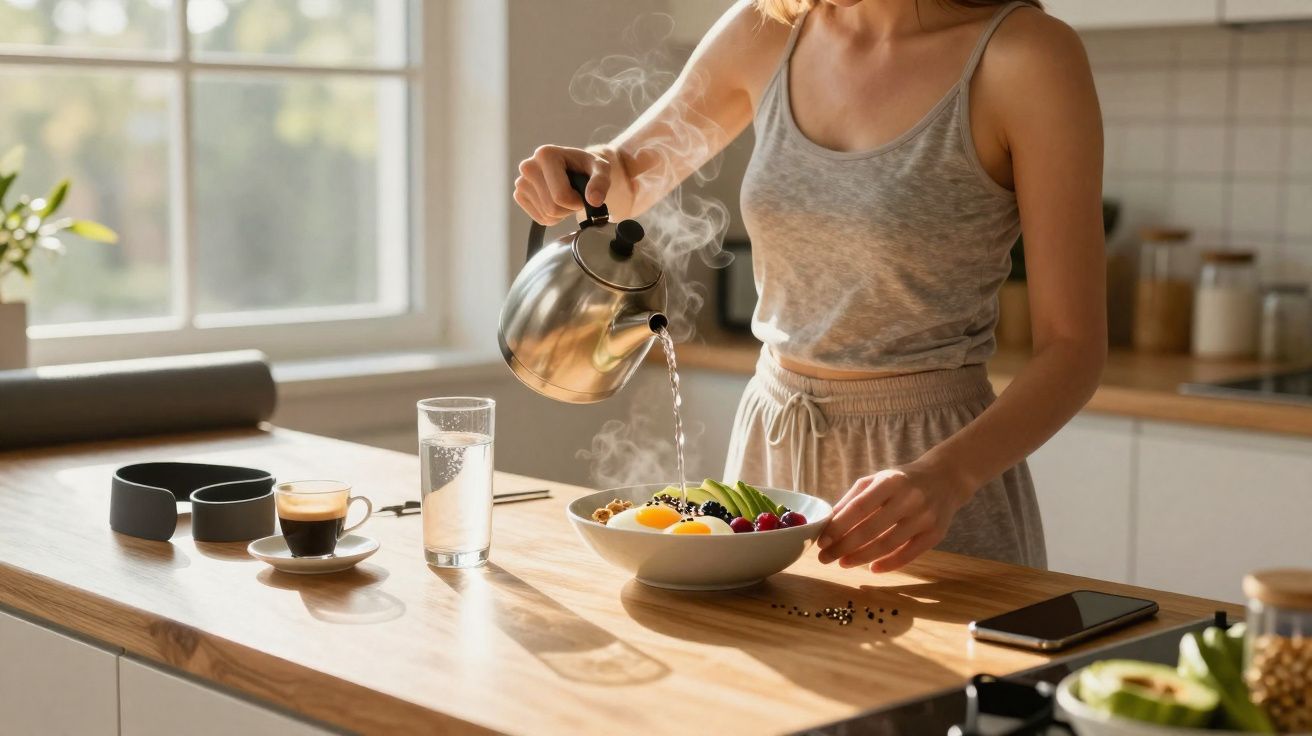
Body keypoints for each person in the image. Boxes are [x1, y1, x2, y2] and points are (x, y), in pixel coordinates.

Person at [513, 0, 1105, 572]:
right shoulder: (766, 27)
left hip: (928, 480)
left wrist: (949, 476)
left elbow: (1074, 349)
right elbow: (626, 175)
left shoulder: (1027, 56)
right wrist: (581, 172)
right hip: (770, 452)